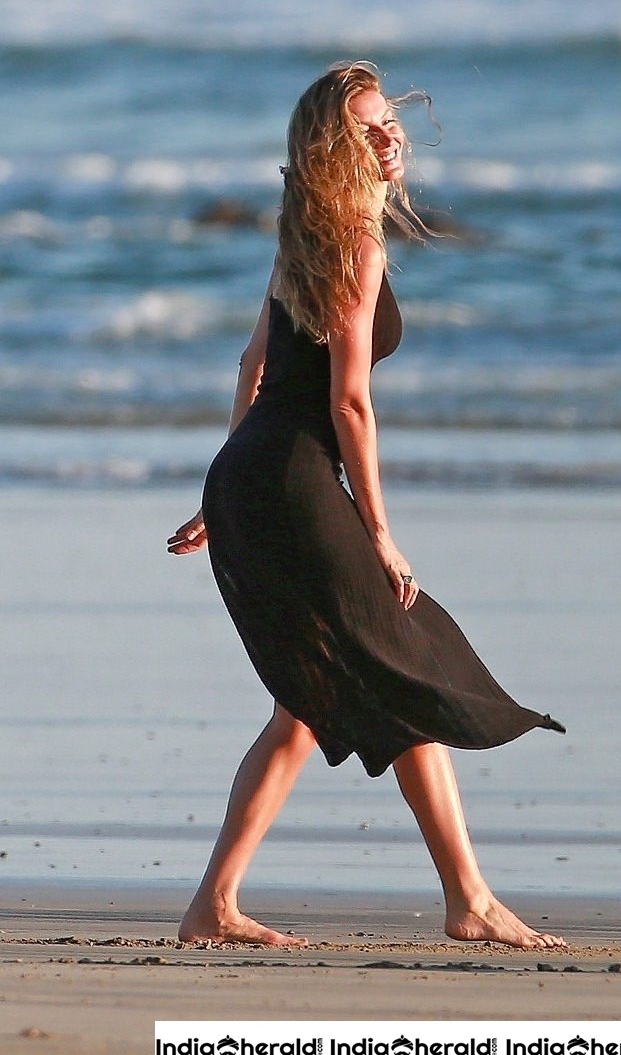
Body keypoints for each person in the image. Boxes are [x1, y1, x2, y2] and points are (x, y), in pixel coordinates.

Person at [166, 62, 566, 950]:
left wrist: (223, 489)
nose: (390, 138)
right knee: (402, 659)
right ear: (330, 148)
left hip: (257, 476)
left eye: (390, 123)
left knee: (315, 700)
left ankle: (214, 906)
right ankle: (469, 901)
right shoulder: (353, 246)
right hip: (290, 481)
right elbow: (347, 404)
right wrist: (380, 533)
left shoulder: (304, 238)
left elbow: (251, 369)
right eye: (367, 129)